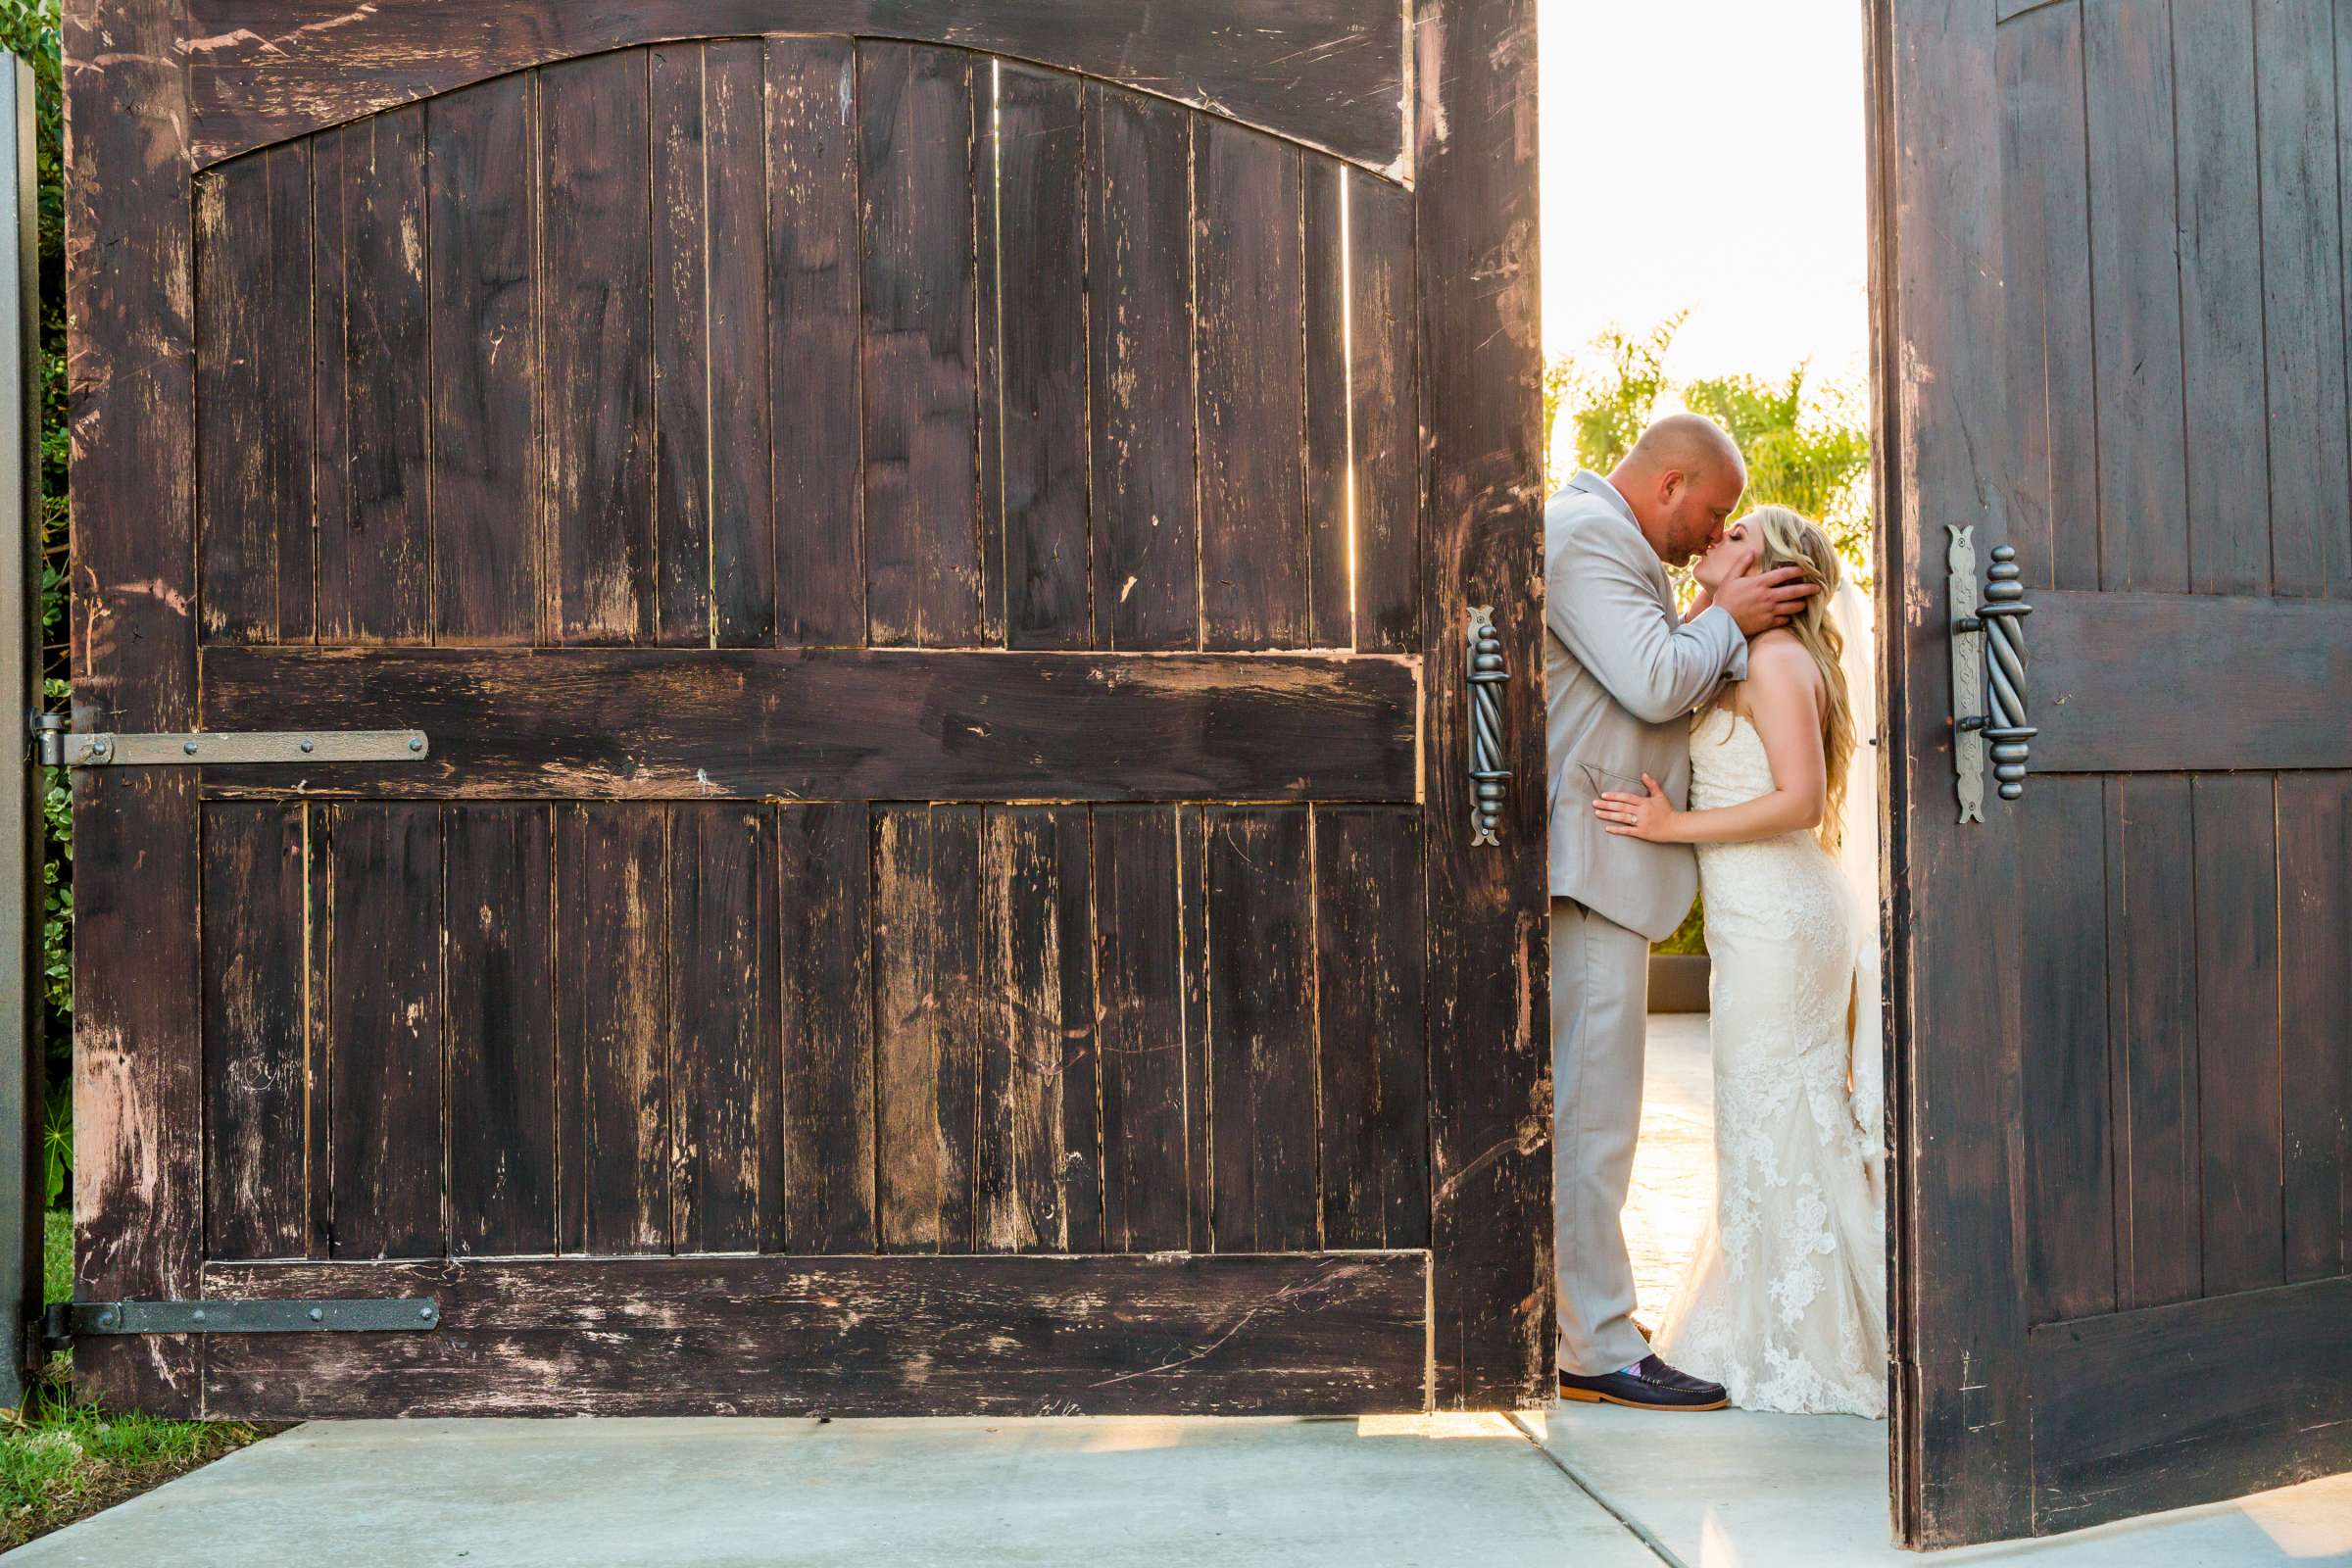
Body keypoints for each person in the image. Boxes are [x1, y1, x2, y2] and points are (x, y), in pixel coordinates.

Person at [1591, 507, 1887, 1417]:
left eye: (1734, 536)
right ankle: (1765, 1312)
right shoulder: (1723, 652)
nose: (1713, 537)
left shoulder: (1780, 661)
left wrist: (1673, 826)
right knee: (1753, 1105)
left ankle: (1823, 1335)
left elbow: (1801, 802)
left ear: (1773, 569)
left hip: (1786, 918)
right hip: (1745, 917)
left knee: (1788, 1103)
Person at [1544, 416, 1817, 1409]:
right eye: (1713, 511)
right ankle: (1595, 1346)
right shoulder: (1583, 535)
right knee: (1592, 1120)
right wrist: (1731, 617)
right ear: (1668, 484)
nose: (1715, 535)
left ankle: (1583, 1313)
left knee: (1594, 1111)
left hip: (1611, 864)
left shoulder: (1618, 545)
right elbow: (1656, 679)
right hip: (1590, 862)